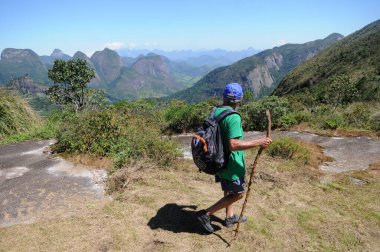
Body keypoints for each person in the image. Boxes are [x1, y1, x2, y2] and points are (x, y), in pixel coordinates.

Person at [197, 82, 272, 233]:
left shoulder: (215, 111)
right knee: (238, 194)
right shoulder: (234, 117)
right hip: (231, 163)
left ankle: (230, 217)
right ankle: (206, 214)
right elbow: (234, 144)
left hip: (219, 160)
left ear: (224, 97)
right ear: (240, 99)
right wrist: (259, 142)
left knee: (228, 190)